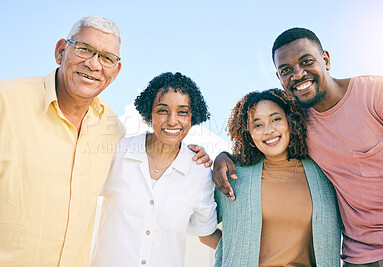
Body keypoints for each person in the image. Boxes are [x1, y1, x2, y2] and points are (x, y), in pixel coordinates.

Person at [0, 16, 210, 267]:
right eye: (84, 49)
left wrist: (220, 160)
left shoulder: (112, 131)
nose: (93, 64)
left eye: (107, 58)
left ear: (115, 71)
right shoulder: (7, 102)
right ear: (60, 51)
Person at [213, 27, 383, 266]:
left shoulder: (381, 94)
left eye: (306, 61)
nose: (298, 74)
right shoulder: (299, 124)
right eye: (286, 70)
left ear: (326, 60)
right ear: (279, 78)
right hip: (356, 257)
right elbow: (265, 140)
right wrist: (223, 155)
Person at [90, 72, 221, 267]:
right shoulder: (118, 152)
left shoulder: (199, 172)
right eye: (162, 110)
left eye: (183, 112)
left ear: (193, 117)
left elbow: (207, 233)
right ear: (149, 113)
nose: (172, 120)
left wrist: (266, 257)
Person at [212, 88, 341, 266]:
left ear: (290, 121)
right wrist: (235, 251)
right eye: (257, 125)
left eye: (276, 119)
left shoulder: (323, 171)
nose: (269, 130)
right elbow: (203, 228)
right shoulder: (234, 176)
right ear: (248, 134)